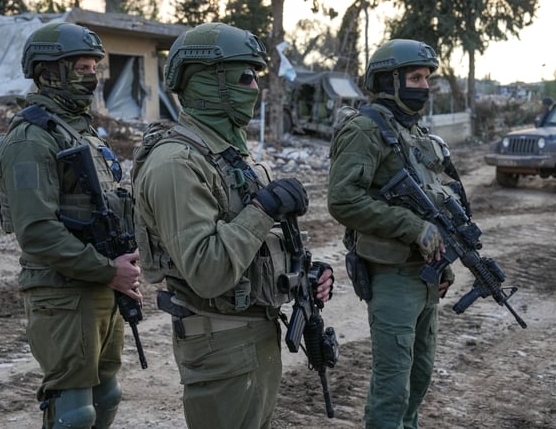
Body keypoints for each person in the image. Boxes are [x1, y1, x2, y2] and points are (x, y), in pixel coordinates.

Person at [131, 22, 334, 429]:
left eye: (256, 75)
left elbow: (255, 248)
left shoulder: (228, 156)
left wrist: (300, 277)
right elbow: (208, 272)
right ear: (207, 82)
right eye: (244, 76)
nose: (255, 87)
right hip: (220, 346)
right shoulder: (176, 164)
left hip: (251, 339)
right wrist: (264, 207)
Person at [0, 22, 142, 429]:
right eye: (81, 67)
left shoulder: (81, 131)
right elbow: (37, 232)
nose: (91, 76)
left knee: (106, 393)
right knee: (74, 412)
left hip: (98, 284)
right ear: (47, 71)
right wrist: (110, 271)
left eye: (95, 66)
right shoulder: (31, 139)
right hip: (63, 290)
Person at [327, 39, 459, 429]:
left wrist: (444, 259)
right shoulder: (366, 130)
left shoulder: (417, 134)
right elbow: (342, 200)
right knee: (392, 388)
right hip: (392, 276)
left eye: (428, 78)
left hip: (424, 276)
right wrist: (413, 227)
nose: (425, 86)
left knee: (418, 380)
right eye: (415, 77)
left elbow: (435, 206)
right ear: (389, 81)